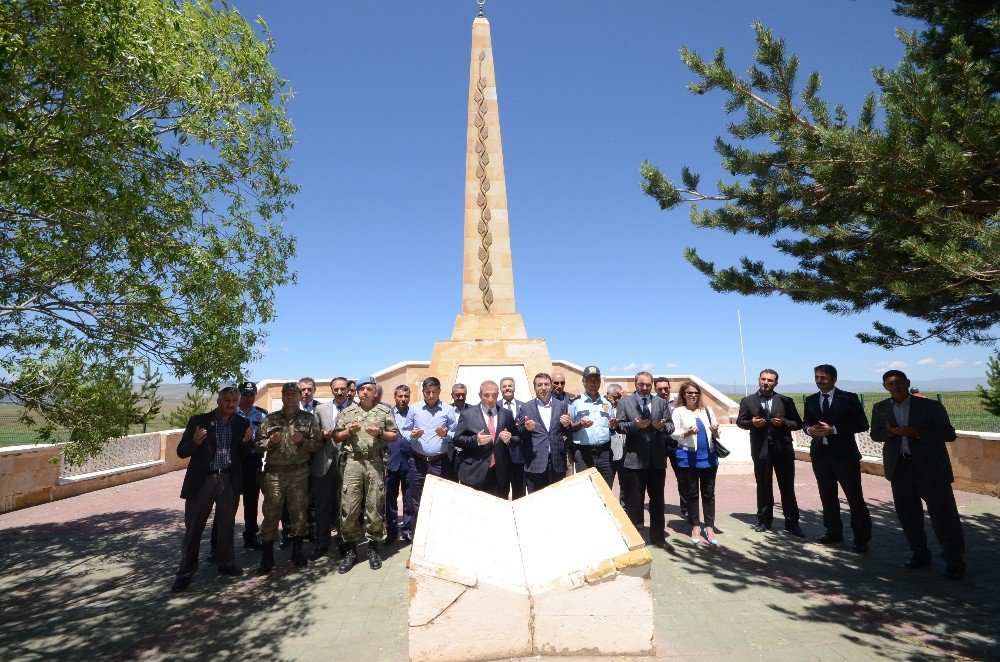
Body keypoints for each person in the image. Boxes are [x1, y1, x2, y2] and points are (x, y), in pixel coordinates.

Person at [871, 370, 966, 579]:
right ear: (884, 387)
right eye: (889, 383)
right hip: (900, 469)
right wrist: (890, 433)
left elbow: (948, 434)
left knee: (944, 516)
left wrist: (917, 432)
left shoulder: (930, 406)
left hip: (930, 468)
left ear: (907, 383)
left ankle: (955, 561)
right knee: (908, 515)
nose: (895, 386)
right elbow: (875, 434)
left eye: (899, 382)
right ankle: (920, 554)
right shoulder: (881, 408)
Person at [171, 387, 253, 591]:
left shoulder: (242, 423)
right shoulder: (199, 421)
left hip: (228, 480)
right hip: (203, 481)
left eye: (235, 400)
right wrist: (195, 442)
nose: (231, 404)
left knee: (226, 525)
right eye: (226, 399)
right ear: (218, 401)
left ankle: (225, 563)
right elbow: (181, 452)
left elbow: (243, 454)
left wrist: (246, 442)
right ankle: (185, 573)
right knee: (194, 528)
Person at [255, 382, 323, 574]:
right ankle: (267, 558)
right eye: (287, 394)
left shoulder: (308, 420)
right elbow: (257, 444)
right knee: (271, 513)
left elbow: (317, 444)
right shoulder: (270, 419)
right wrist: (269, 442)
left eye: (294, 394)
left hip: (299, 473)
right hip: (274, 473)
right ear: (283, 396)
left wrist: (303, 442)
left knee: (299, 514)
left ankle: (297, 553)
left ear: (299, 396)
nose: (290, 397)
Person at [803, 364, 872, 553]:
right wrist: (810, 430)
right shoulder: (810, 400)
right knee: (827, 495)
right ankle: (833, 531)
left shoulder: (848, 398)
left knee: (854, 497)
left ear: (833, 379)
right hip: (820, 455)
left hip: (845, 456)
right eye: (816, 377)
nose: (819, 381)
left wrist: (833, 430)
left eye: (823, 377)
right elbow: (805, 423)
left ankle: (861, 537)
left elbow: (862, 424)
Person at [333, 376, 399, 573]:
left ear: (374, 392)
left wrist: (379, 433)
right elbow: (336, 436)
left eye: (369, 389)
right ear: (357, 392)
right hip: (353, 462)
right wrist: (348, 432)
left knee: (375, 506)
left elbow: (394, 435)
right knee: (349, 507)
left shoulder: (384, 411)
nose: (365, 392)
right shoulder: (348, 412)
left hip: (375, 463)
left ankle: (373, 549)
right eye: (362, 389)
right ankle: (351, 551)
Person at [736, 369, 805, 537]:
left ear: (776, 383)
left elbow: (797, 423)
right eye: (763, 379)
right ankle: (764, 520)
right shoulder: (747, 401)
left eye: (770, 380)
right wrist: (752, 423)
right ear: (759, 380)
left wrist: (783, 423)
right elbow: (740, 421)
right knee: (763, 486)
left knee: (787, 487)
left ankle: (792, 523)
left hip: (783, 450)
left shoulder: (785, 400)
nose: (766, 382)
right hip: (761, 450)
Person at [616, 371, 674, 546]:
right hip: (634, 460)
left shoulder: (660, 402)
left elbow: (671, 426)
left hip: (656, 461)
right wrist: (635, 426)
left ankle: (658, 537)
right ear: (635, 383)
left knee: (657, 501)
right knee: (635, 502)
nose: (645, 388)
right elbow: (619, 426)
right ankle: (637, 538)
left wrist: (661, 427)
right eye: (641, 384)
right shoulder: (624, 402)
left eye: (648, 385)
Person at [671, 381, 722, 546]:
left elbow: (717, 432)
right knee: (691, 494)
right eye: (689, 393)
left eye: (696, 392)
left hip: (708, 457)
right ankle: (694, 526)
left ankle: (709, 527)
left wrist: (715, 429)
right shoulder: (678, 411)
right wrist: (686, 432)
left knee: (709, 494)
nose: (693, 395)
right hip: (688, 457)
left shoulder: (707, 410)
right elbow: (673, 433)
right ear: (683, 395)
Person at [406, 377, 459, 529]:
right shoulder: (414, 409)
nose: (431, 395)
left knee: (439, 500)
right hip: (417, 462)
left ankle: (436, 536)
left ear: (439, 392)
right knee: (416, 500)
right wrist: (412, 435)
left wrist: (446, 435)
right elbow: (405, 429)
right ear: (423, 392)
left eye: (434, 392)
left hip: (439, 462)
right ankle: (417, 537)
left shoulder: (448, 410)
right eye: (427, 392)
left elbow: (456, 433)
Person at [310, 377, 352, 560]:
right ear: (331, 390)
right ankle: (322, 543)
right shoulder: (320, 409)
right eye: (336, 389)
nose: (340, 392)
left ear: (347, 389)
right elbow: (312, 435)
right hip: (324, 463)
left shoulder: (356, 408)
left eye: (343, 389)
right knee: (322, 505)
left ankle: (343, 541)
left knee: (344, 505)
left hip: (348, 464)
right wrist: (321, 435)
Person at [454, 380, 518, 496]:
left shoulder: (506, 414)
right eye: (486, 395)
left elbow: (517, 439)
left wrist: (509, 440)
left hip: (500, 474)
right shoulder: (468, 414)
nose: (490, 399)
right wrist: (475, 440)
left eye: (494, 395)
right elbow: (457, 439)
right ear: (479, 395)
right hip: (474, 473)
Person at [516, 372, 572, 493]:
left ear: (551, 386)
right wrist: (527, 429)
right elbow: (520, 433)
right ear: (535, 388)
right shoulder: (526, 407)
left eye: (546, 384)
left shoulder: (562, 406)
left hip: (557, 462)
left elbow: (567, 434)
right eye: (539, 385)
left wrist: (567, 426)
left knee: (558, 500)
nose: (543, 388)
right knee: (536, 502)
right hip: (535, 462)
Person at [568, 366, 614, 487]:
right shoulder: (575, 402)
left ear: (600, 382)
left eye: (596, 380)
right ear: (583, 382)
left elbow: (611, 426)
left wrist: (614, 426)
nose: (593, 383)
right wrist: (580, 425)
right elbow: (568, 427)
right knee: (586, 489)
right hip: (583, 454)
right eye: (590, 380)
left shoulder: (607, 402)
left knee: (606, 487)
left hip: (604, 452)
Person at [654, 376, 685, 520]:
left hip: (676, 444)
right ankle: (658, 506)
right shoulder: (652, 403)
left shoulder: (680, 402)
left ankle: (685, 508)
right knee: (658, 478)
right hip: (658, 444)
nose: (664, 391)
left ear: (670, 387)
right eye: (660, 389)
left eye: (666, 388)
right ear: (655, 389)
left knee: (682, 477)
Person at [386, 385, 414, 543]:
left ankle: (408, 529)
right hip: (391, 461)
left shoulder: (415, 413)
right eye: (400, 396)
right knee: (390, 498)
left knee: (409, 498)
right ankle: (391, 530)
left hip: (410, 461)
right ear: (395, 397)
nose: (403, 399)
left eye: (406, 396)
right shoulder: (387, 414)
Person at [499, 376, 526, 499]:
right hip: (502, 455)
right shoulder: (496, 406)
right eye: (504, 386)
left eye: (509, 386)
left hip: (519, 455)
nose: (507, 388)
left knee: (519, 490)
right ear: (500, 389)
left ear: (514, 387)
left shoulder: (524, 406)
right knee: (501, 491)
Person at [605, 384, 626, 494]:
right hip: (609, 450)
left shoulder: (625, 405)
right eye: (612, 397)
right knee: (607, 482)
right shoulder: (604, 406)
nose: (615, 400)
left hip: (624, 450)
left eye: (617, 397)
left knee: (625, 482)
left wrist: (624, 401)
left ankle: (624, 506)